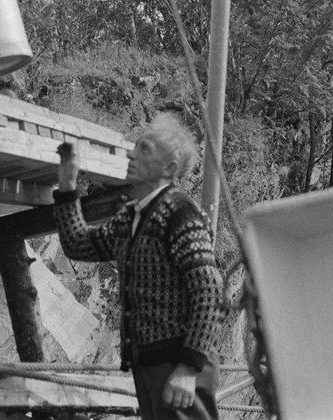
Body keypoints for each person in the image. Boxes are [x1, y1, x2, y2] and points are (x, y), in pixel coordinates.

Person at [54, 113, 225, 420]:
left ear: (169, 168)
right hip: (150, 362)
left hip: (180, 362)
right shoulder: (130, 217)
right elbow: (78, 244)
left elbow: (210, 292)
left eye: (144, 148)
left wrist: (188, 367)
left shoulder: (180, 212)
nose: (132, 153)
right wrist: (67, 187)